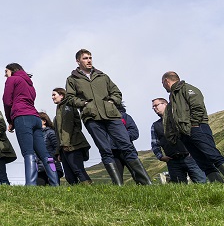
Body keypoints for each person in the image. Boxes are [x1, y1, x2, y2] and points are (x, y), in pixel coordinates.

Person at [63, 49, 151, 185]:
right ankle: (118, 185)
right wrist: (84, 104)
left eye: (90, 58)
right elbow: (69, 98)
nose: (89, 60)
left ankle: (146, 183)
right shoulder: (72, 79)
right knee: (105, 150)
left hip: (112, 115)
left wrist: (111, 102)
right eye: (85, 58)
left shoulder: (102, 76)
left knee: (126, 145)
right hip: (91, 117)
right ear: (78, 61)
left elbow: (116, 92)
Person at [161, 71, 224, 183]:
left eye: (162, 83)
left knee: (213, 156)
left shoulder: (187, 89)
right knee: (203, 162)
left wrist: (194, 124)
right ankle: (220, 187)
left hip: (197, 128)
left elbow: (198, 106)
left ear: (166, 81)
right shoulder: (173, 97)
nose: (163, 86)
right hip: (185, 134)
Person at [2, 63, 58, 186]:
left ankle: (31, 185)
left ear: (12, 70)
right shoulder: (30, 84)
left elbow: (6, 101)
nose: (5, 74)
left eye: (6, 71)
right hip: (35, 117)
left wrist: (10, 120)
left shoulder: (12, 79)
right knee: (44, 154)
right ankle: (55, 183)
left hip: (22, 117)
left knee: (28, 152)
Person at [150, 97, 206, 184]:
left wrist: (195, 150)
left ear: (165, 104)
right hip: (173, 161)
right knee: (180, 190)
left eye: (156, 105)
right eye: (153, 107)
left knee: (202, 184)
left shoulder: (180, 118)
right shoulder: (155, 125)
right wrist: (161, 157)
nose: (154, 108)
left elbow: (193, 133)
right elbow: (155, 144)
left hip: (190, 157)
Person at [52, 88, 92, 185]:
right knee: (69, 175)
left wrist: (66, 144)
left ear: (62, 95)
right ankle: (77, 193)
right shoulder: (58, 111)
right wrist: (58, 152)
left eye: (54, 94)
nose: (52, 97)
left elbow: (68, 126)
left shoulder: (68, 106)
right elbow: (58, 134)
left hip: (73, 144)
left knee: (78, 169)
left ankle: (90, 189)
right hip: (63, 147)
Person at [36, 112, 63, 186]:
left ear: (44, 121)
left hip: (52, 165)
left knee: (55, 190)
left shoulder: (50, 132)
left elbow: (56, 147)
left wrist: (52, 159)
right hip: (39, 168)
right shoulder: (35, 135)